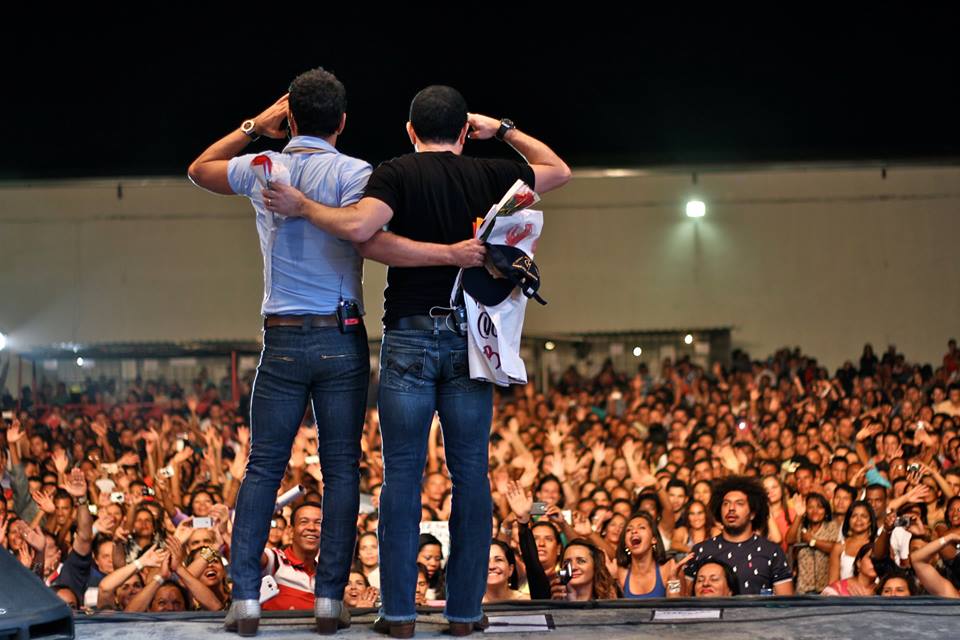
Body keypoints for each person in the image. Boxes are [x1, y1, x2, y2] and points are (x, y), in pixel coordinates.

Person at [264, 84, 570, 637]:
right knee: (470, 474)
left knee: (401, 478)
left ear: (410, 131)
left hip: (408, 334)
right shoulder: (493, 173)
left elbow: (361, 231)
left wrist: (307, 207)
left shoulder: (395, 172)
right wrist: (501, 130)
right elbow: (557, 170)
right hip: (469, 339)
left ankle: (400, 615)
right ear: (462, 131)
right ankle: (463, 612)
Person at [188, 69, 482, 637]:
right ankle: (328, 600)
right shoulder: (357, 173)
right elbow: (366, 238)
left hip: (281, 336)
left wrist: (255, 126)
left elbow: (199, 170)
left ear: (289, 118)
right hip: (342, 333)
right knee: (342, 468)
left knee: (263, 468)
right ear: (344, 122)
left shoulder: (262, 166)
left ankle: (245, 599)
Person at [684, 476, 794, 595]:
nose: (731, 508)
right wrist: (674, 581)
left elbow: (785, 603)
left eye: (739, 503)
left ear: (752, 514)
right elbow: (684, 601)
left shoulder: (772, 552)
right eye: (726, 504)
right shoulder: (701, 550)